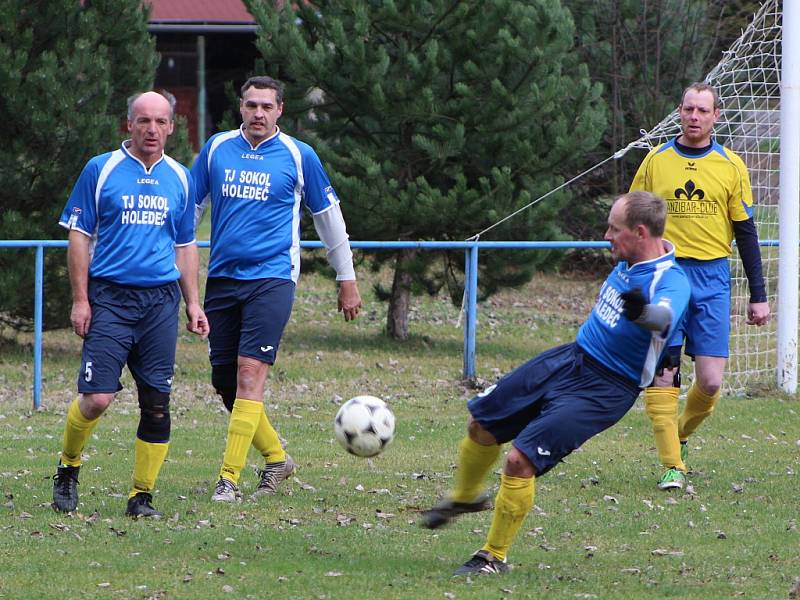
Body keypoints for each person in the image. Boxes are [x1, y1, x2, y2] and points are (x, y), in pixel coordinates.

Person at [421, 191, 690, 576]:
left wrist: (642, 312)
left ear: (640, 232)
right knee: (480, 425)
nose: (606, 236)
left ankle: (492, 557)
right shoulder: (629, 259)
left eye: (614, 229)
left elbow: (664, 317)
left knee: (519, 460)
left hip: (606, 388)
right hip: (570, 358)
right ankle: (465, 497)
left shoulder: (672, 280)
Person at [192, 75, 362, 502]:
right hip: (223, 279)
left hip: (272, 277)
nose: (258, 114)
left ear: (280, 110)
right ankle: (276, 458)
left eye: (266, 107)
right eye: (251, 106)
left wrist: (347, 278)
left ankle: (227, 480)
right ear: (241, 108)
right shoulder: (216, 148)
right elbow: (189, 211)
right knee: (225, 382)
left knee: (250, 373)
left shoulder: (299, 155)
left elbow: (329, 219)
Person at [52, 91, 209, 518]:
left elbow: (185, 244)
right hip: (110, 298)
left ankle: (141, 497)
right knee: (97, 398)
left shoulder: (180, 176)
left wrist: (193, 303)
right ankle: (68, 467)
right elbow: (79, 237)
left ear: (172, 127)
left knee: (157, 402)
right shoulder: (100, 170)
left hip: (160, 303)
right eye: (143, 121)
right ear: (129, 124)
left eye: (160, 122)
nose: (152, 129)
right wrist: (81, 300)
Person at [630, 82, 770, 491]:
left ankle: (680, 435)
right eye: (688, 108)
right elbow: (631, 217)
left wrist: (758, 295)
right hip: (666, 276)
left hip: (712, 278)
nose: (694, 116)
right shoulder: (656, 160)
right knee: (664, 371)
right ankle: (672, 466)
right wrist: (630, 270)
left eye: (702, 110)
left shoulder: (731, 165)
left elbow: (745, 231)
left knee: (709, 382)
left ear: (716, 116)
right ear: (679, 111)